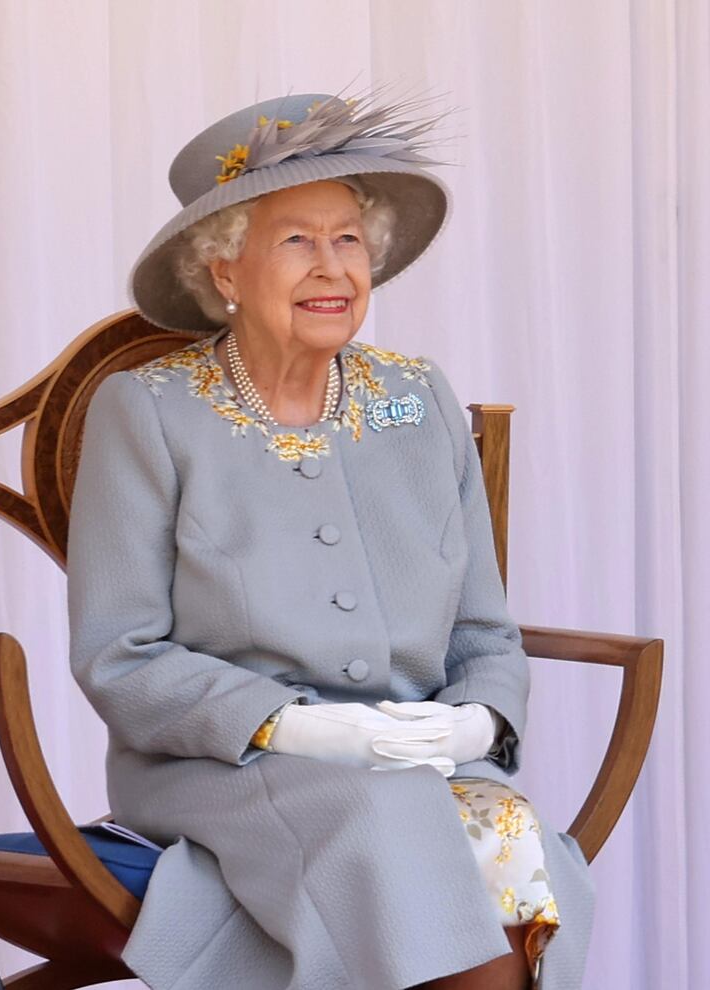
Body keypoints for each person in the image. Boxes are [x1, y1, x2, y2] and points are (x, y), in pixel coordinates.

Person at [67, 88, 594, 990]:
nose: (333, 268)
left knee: (512, 838)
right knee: (389, 834)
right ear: (226, 271)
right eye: (297, 241)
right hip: (224, 764)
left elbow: (484, 631)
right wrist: (303, 730)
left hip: (421, 761)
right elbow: (118, 656)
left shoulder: (416, 396)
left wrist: (475, 719)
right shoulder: (148, 411)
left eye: (348, 239)